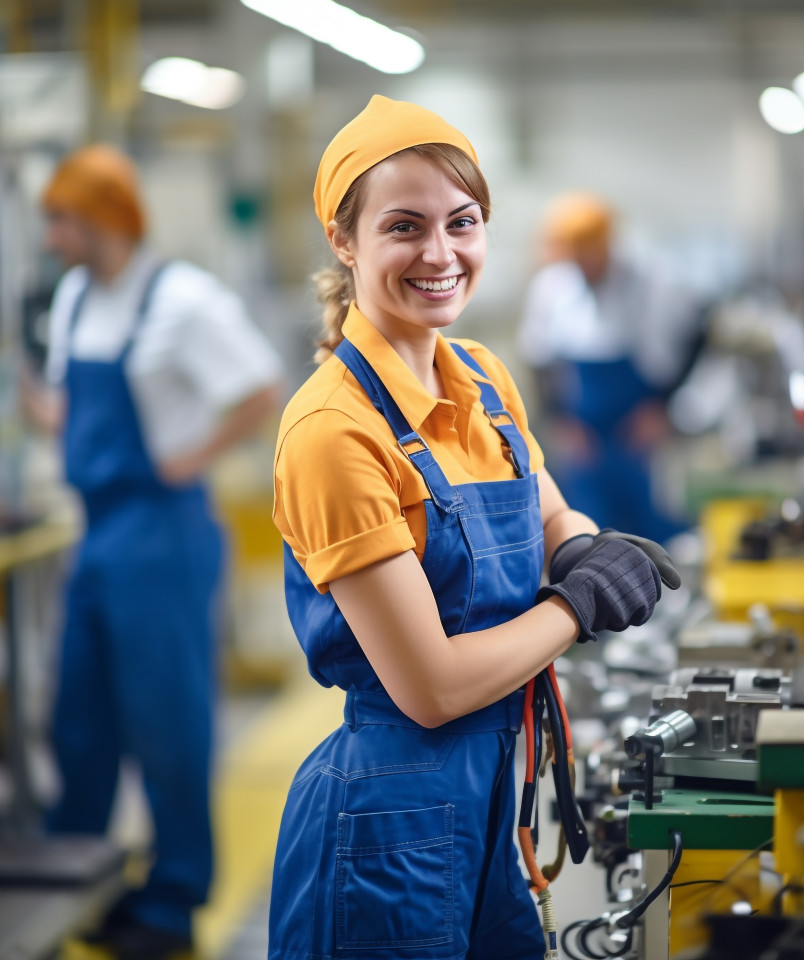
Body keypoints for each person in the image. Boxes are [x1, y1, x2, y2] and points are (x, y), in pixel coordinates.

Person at [269, 95, 679, 960]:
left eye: (463, 222)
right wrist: (577, 606)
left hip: (498, 796)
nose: (440, 253)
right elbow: (435, 687)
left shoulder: (483, 379)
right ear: (345, 242)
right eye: (405, 226)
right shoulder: (333, 433)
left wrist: (582, 547)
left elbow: (548, 505)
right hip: (388, 826)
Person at [24, 144, 284, 960]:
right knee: (82, 717)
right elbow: (75, 401)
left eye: (61, 220)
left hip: (163, 533)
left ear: (103, 219)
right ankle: (79, 876)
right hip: (96, 532)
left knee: (168, 723)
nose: (51, 237)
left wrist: (190, 457)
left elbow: (259, 387)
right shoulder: (72, 297)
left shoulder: (182, 300)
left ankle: (173, 901)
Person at [517, 192, 700, 544]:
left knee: (648, 515)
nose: (583, 264)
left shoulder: (651, 282)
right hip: (583, 426)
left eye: (589, 253)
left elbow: (695, 336)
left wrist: (661, 407)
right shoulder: (552, 287)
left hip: (637, 422)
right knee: (588, 522)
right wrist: (561, 421)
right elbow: (539, 360)